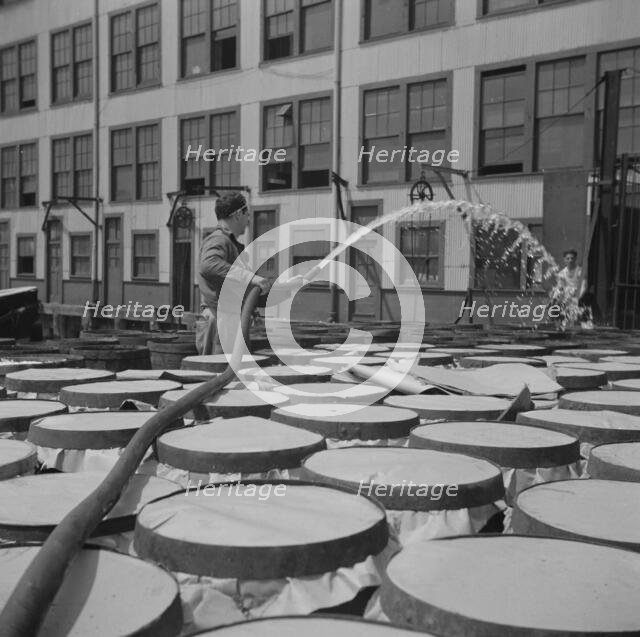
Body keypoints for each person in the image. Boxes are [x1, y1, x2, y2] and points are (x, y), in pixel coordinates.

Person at [197, 191, 302, 354]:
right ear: (238, 214)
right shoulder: (218, 240)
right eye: (248, 214)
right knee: (219, 373)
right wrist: (251, 277)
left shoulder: (230, 245)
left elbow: (251, 294)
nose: (249, 220)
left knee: (233, 374)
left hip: (230, 321)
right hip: (221, 321)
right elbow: (208, 264)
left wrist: (287, 287)